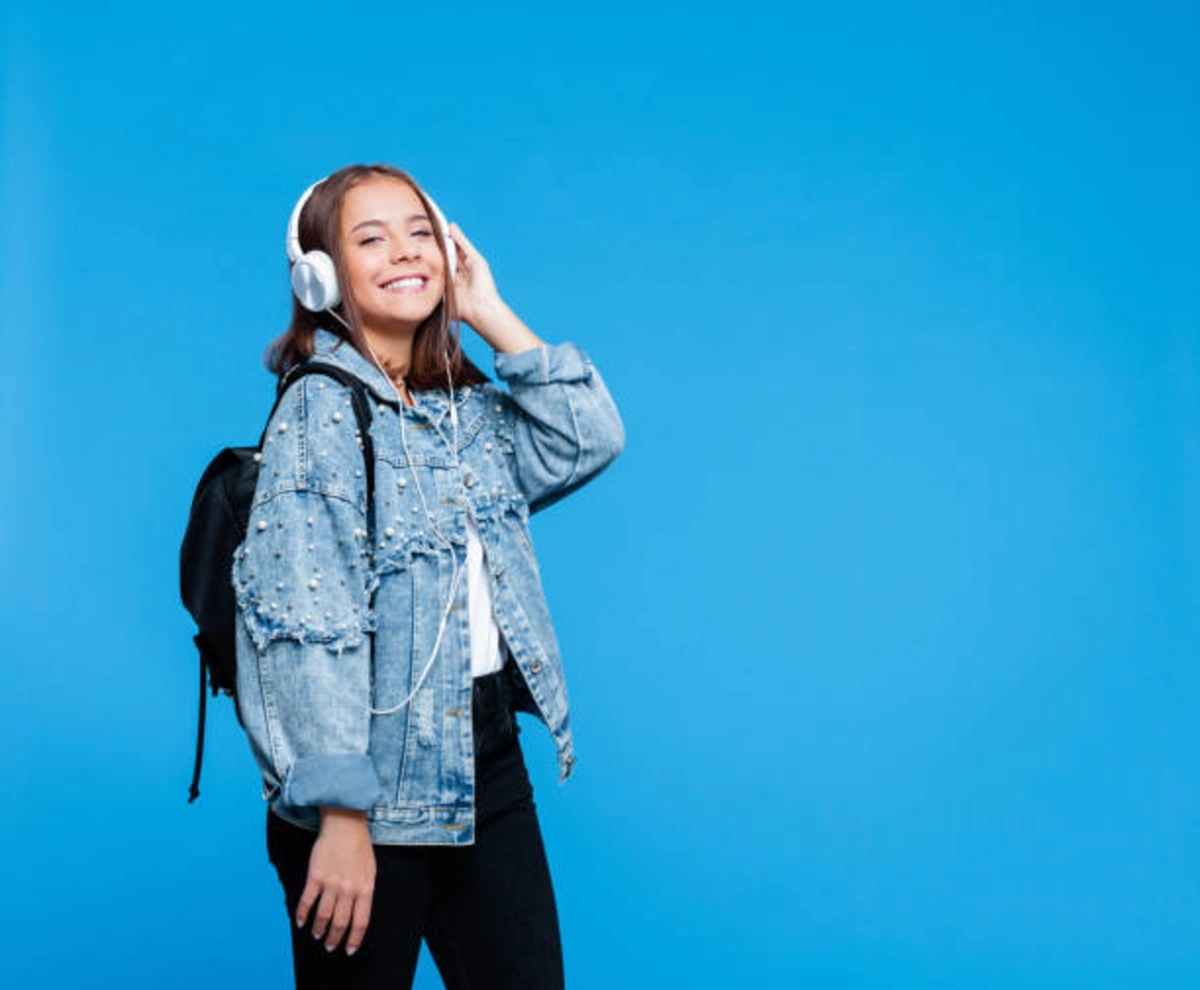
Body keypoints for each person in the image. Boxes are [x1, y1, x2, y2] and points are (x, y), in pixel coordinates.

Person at [231, 163, 625, 989]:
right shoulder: (320, 412)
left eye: (421, 233)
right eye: (370, 239)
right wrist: (340, 817)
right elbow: (310, 625)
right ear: (320, 276)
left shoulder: (459, 411)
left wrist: (485, 310)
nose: (405, 252)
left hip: (485, 761)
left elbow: (586, 438)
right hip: (365, 785)